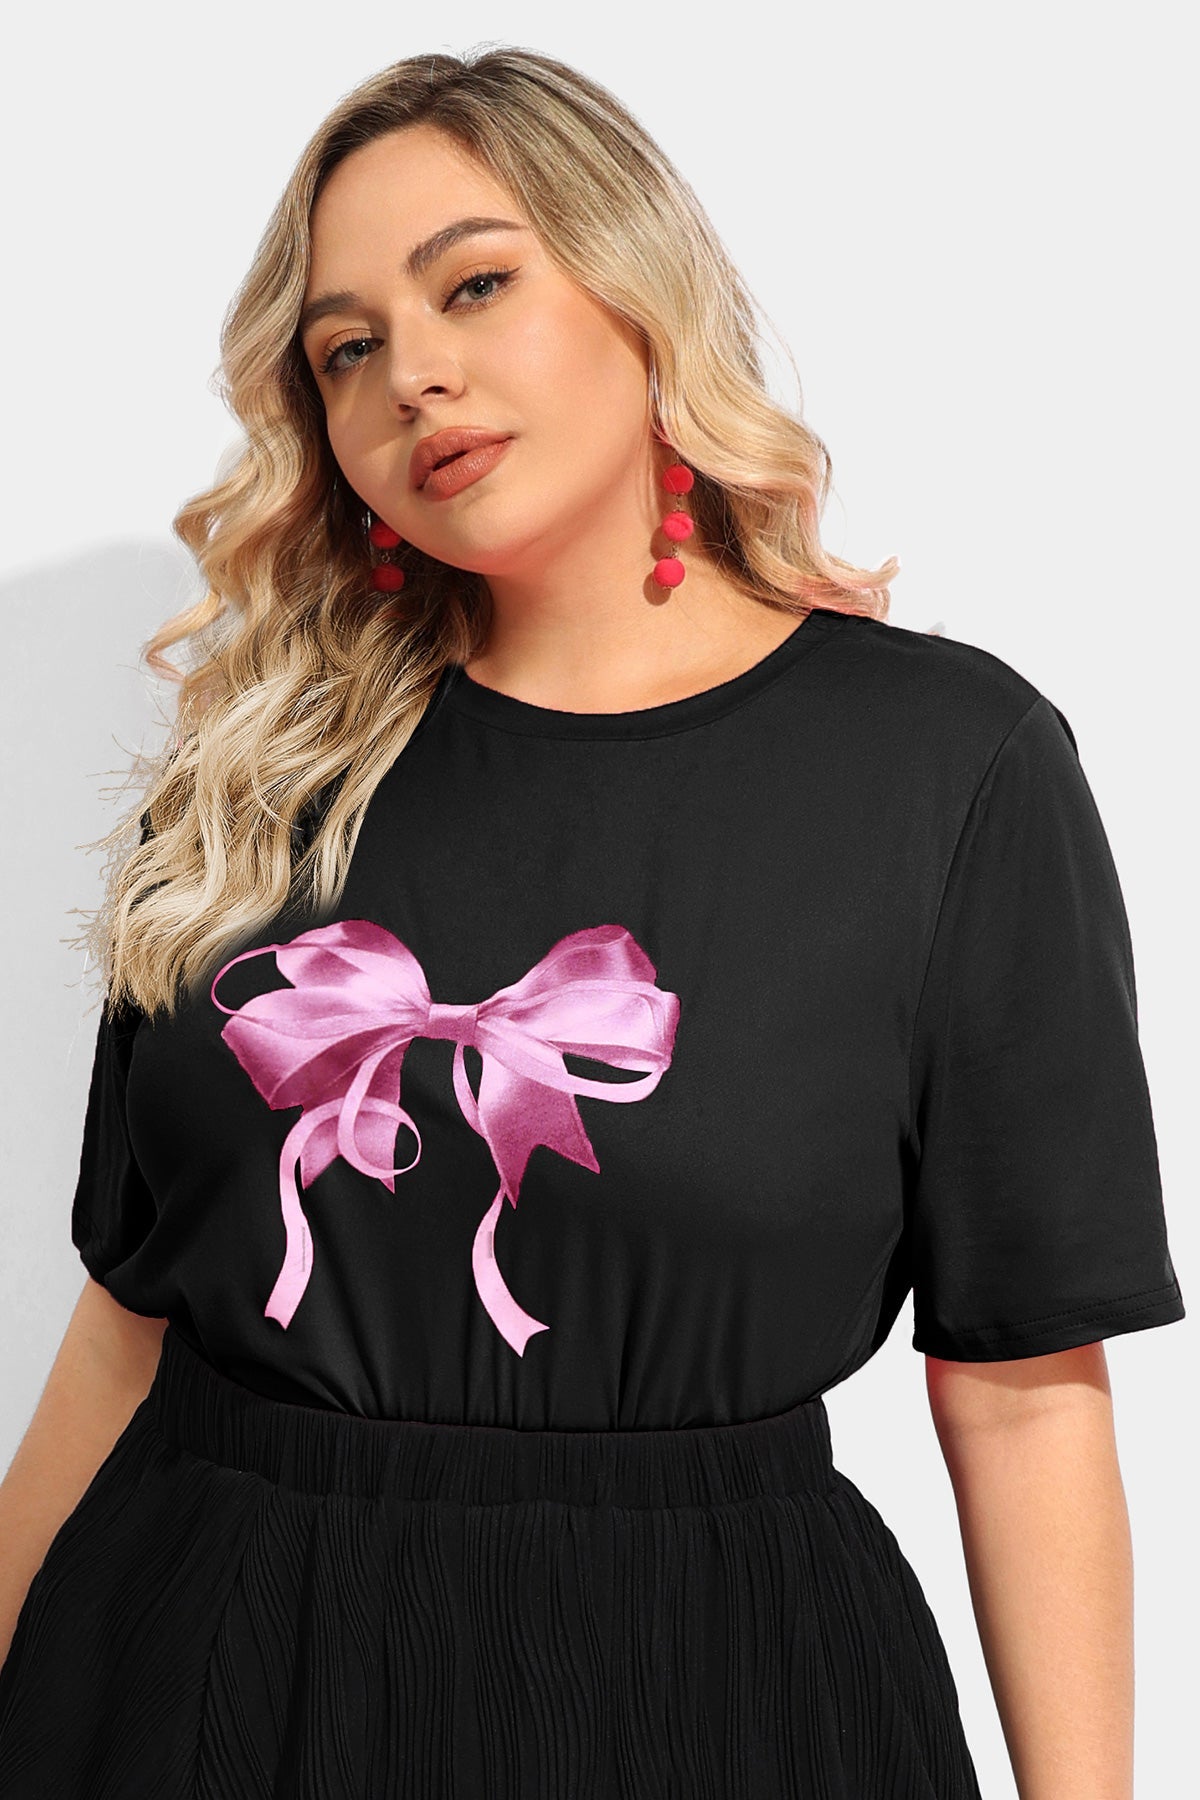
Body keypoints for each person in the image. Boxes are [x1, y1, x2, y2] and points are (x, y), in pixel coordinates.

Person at [0, 44, 1185, 1800]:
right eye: (346, 348)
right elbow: (127, 1322)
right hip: (203, 1676)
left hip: (718, 1690)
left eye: (475, 284)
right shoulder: (261, 769)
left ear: (640, 291)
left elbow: (1021, 1387)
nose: (414, 372)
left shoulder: (950, 770)